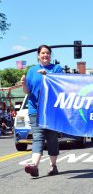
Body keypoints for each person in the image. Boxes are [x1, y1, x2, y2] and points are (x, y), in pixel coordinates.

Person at [21, 45, 63, 177]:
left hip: (51, 110)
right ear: (38, 55)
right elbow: (28, 91)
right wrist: (23, 83)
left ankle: (53, 166)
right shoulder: (32, 71)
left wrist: (48, 76)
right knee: (38, 137)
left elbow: (61, 85)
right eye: (43, 53)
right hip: (35, 109)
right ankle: (34, 166)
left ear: (50, 55)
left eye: (48, 53)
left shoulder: (56, 68)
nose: (45, 55)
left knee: (52, 138)